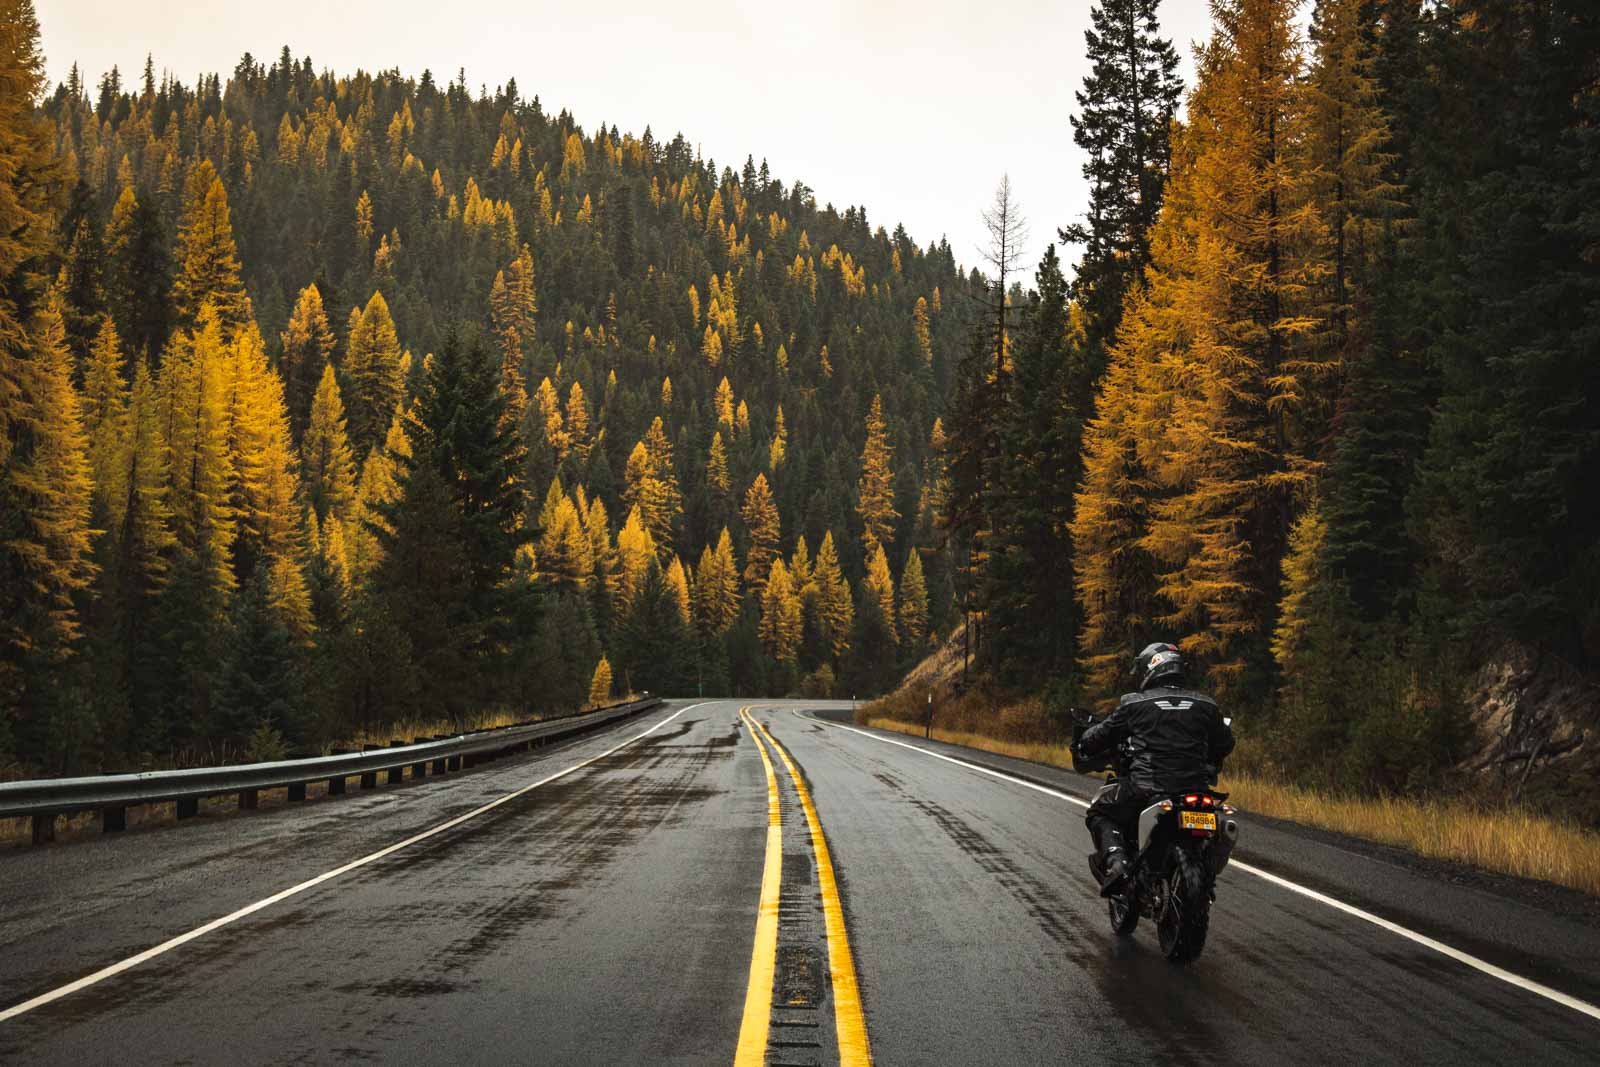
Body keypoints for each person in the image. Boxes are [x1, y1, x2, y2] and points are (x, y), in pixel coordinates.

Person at [1074, 642, 1234, 897]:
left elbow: (1100, 736)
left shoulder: (1134, 703)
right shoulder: (1207, 705)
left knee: (1100, 812)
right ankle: (1203, 875)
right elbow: (1226, 744)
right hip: (1196, 791)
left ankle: (1117, 863)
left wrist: (1084, 738)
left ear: (1151, 668)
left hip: (1147, 788)